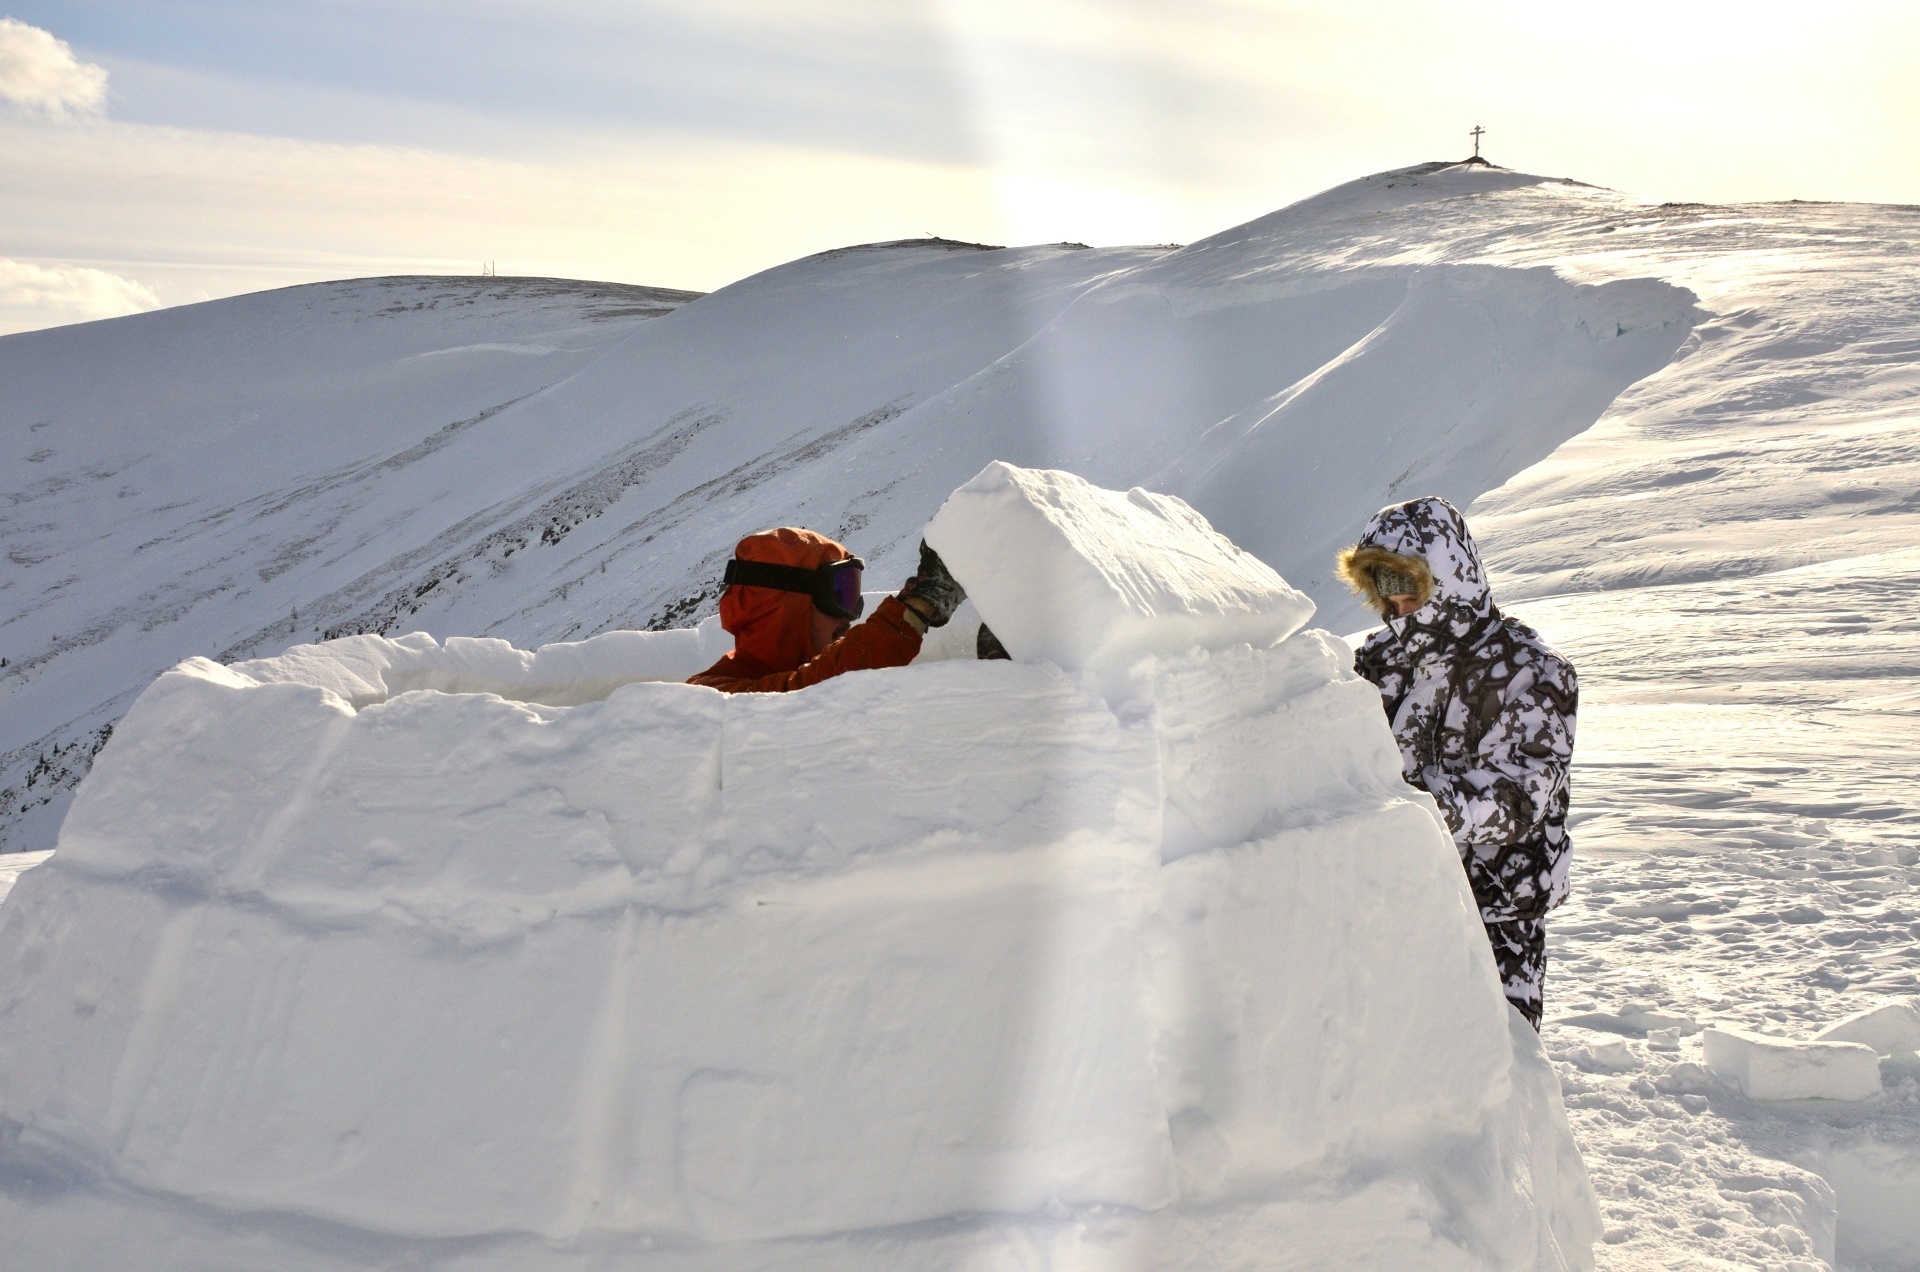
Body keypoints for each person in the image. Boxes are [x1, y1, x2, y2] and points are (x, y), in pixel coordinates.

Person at [1336, 496, 1577, 1029]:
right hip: (1391, 898)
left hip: (1496, 911)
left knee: (1498, 1072)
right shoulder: (1379, 661)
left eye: (1404, 586)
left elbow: (1518, 797)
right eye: (1381, 588)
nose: (1394, 606)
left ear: (1446, 577)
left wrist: (1406, 805)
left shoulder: (1532, 671)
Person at [688, 528, 965, 693]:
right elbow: (807, 694)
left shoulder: (820, 668)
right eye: (839, 593)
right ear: (784, 606)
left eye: (852, 592)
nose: (849, 615)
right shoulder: (708, 695)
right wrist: (919, 605)